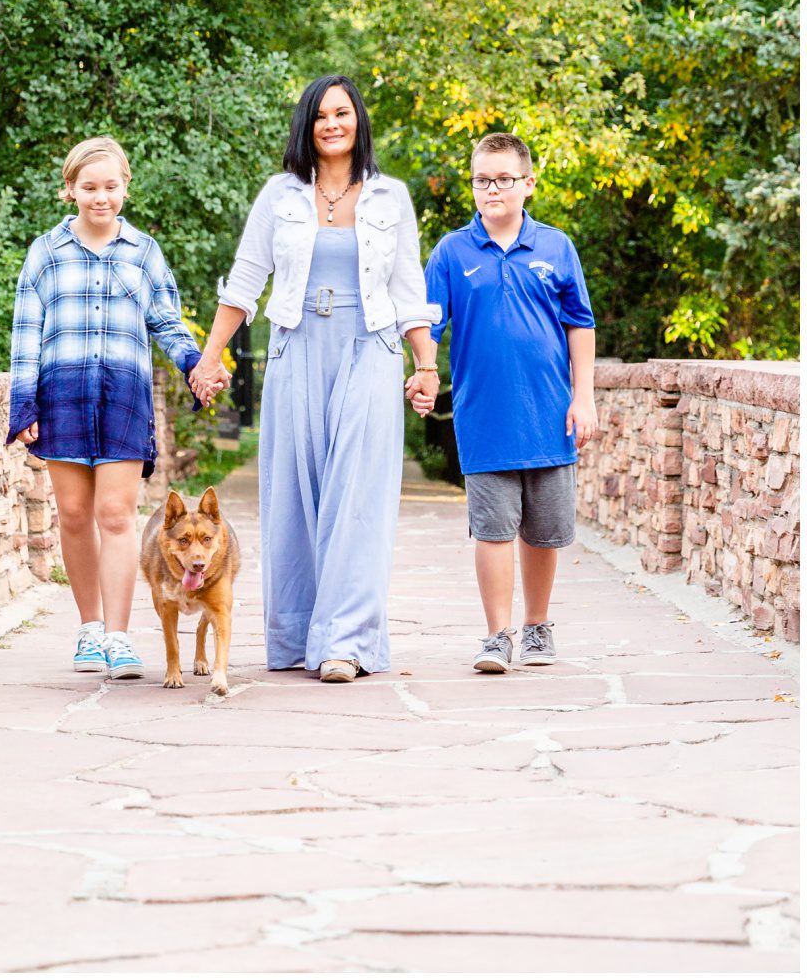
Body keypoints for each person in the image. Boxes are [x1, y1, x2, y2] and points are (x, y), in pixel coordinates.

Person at [190, 76, 439, 683]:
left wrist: (425, 365)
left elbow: (409, 289)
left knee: (356, 496)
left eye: (343, 112)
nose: (332, 123)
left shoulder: (390, 197)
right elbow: (246, 281)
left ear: (359, 122)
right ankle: (301, 633)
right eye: (321, 114)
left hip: (371, 348)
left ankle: (346, 643)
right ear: (307, 124)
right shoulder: (280, 195)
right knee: (294, 495)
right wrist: (209, 358)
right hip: (296, 348)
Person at [8, 137, 203, 680]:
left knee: (116, 516)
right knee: (73, 516)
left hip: (122, 396)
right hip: (62, 396)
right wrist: (23, 404)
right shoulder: (45, 253)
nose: (101, 197)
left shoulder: (144, 252)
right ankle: (89, 629)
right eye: (89, 187)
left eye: (111, 187)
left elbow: (165, 320)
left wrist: (193, 363)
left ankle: (119, 637)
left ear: (125, 188)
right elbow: (26, 333)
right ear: (69, 189)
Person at [424, 131, 599, 673]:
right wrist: (424, 370)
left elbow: (580, 324)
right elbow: (427, 322)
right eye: (481, 179)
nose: (491, 188)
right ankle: (497, 635)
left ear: (528, 183)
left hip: (549, 412)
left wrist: (584, 397)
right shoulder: (452, 252)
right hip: (484, 417)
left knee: (544, 531)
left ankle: (537, 627)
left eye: (503, 179)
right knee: (493, 528)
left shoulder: (556, 246)